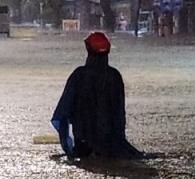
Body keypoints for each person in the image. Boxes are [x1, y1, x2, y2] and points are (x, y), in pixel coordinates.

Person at [51, 32, 146, 160]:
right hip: (112, 144)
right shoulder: (115, 76)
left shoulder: (78, 75)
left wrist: (68, 147)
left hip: (83, 144)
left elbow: (63, 111)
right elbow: (119, 113)